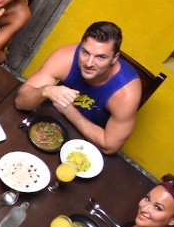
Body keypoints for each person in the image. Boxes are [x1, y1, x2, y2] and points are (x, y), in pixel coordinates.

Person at [15, 21, 141, 154]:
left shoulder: (126, 92)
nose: (89, 63)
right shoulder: (65, 58)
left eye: (101, 57)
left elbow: (109, 146)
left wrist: (69, 110)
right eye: (85, 52)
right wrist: (46, 90)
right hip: (46, 124)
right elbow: (20, 102)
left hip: (83, 143)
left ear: (115, 58)